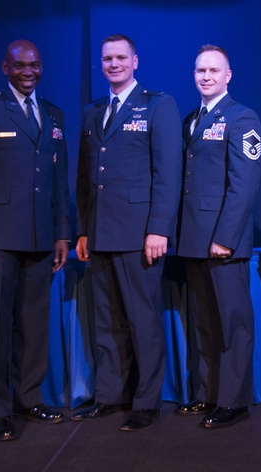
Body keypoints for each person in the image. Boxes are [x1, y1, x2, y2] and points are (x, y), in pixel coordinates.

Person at [0, 40, 71, 442]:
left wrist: (62, 232)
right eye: (20, 65)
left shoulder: (54, 113)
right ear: (5, 67)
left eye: (35, 64)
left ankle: (29, 397)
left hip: (41, 237)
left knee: (33, 325)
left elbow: (59, 181)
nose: (29, 71)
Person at [73, 34, 182, 432]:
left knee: (143, 319)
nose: (113, 64)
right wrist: (83, 230)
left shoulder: (158, 105)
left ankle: (146, 400)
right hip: (100, 233)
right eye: (107, 58)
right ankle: (110, 395)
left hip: (139, 235)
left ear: (135, 61)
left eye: (121, 57)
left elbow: (167, 174)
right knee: (107, 321)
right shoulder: (92, 111)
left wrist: (158, 229)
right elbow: (85, 177)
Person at [175, 45, 261, 429]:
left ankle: (233, 401)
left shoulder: (243, 118)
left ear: (229, 76)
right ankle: (206, 394)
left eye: (214, 70)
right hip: (193, 239)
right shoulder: (191, 119)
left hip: (224, 242)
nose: (206, 76)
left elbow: (244, 186)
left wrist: (225, 236)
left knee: (233, 324)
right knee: (205, 324)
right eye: (200, 70)